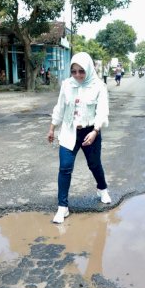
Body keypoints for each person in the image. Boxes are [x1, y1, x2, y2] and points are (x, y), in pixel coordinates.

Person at [47, 52, 111, 224]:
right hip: (69, 131)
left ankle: (102, 188)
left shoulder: (98, 86)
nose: (77, 75)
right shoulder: (67, 85)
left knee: (94, 164)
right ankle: (62, 207)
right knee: (65, 168)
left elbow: (102, 111)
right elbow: (60, 107)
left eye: (81, 71)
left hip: (90, 132)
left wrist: (95, 131)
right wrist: (52, 128)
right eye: (74, 71)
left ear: (88, 69)